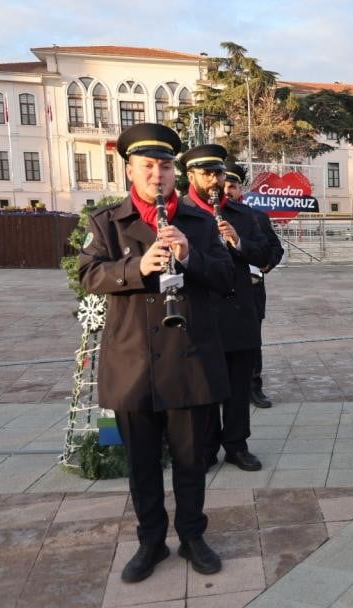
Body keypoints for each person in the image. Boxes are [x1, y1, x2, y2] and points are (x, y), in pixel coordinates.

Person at [79, 123, 233, 582]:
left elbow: (227, 280)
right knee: (143, 464)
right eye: (148, 165)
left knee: (191, 461)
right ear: (130, 169)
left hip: (189, 361)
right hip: (133, 364)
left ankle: (191, 535)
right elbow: (88, 276)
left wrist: (191, 257)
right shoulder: (107, 222)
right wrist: (135, 267)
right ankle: (150, 541)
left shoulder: (200, 222)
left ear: (175, 173)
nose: (158, 174)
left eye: (165, 166)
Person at [179, 145, 271, 472]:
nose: (215, 180)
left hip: (238, 313)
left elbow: (265, 255)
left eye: (219, 173)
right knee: (203, 385)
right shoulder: (179, 214)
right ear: (191, 177)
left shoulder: (243, 215)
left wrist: (239, 243)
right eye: (208, 174)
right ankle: (204, 447)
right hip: (200, 315)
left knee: (237, 386)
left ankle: (236, 444)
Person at [223, 161, 285, 410]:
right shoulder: (204, 217)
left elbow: (275, 248)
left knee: (251, 341)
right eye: (224, 185)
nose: (227, 190)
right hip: (220, 293)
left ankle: (254, 387)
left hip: (251, 290)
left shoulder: (256, 217)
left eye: (233, 186)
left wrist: (266, 265)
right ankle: (224, 388)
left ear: (241, 189)